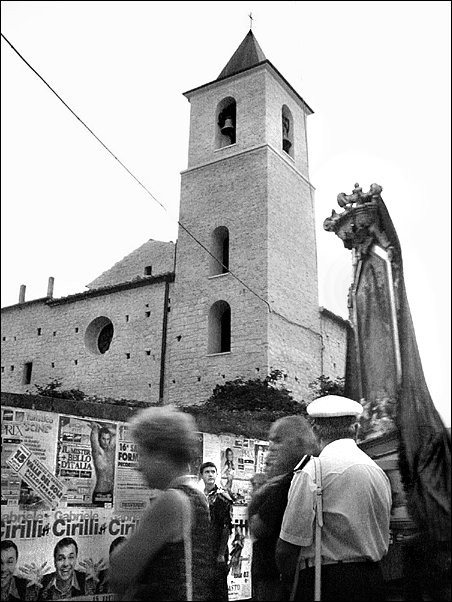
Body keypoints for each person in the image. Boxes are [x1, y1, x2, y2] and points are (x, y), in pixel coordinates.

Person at [276, 395, 392, 601]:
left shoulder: (313, 470)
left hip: (327, 582)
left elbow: (289, 543)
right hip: (373, 580)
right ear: (355, 429)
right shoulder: (377, 472)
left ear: (315, 430)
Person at [110, 407, 214, 600]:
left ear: (159, 456)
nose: (138, 466)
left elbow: (119, 571)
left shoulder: (171, 501)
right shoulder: (198, 495)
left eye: (140, 454)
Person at [248, 415, 318, 601]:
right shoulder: (291, 478)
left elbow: (257, 527)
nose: (271, 448)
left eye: (278, 440)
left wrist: (260, 494)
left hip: (276, 581)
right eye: (270, 440)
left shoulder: (290, 482)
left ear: (298, 443)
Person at [200, 461, 233, 602]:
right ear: (201, 475)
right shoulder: (199, 497)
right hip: (202, 549)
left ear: (217, 474)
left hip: (218, 549)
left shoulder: (222, 498)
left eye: (213, 472)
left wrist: (220, 554)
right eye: (207, 472)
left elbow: (226, 527)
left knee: (219, 589)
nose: (210, 475)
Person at [89, 422, 116, 505]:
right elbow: (94, 440)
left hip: (111, 493)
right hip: (100, 494)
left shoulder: (111, 451)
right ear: (99, 439)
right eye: (103, 439)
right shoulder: (98, 452)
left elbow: (117, 432)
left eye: (108, 439)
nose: (105, 442)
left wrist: (105, 426)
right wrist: (95, 428)